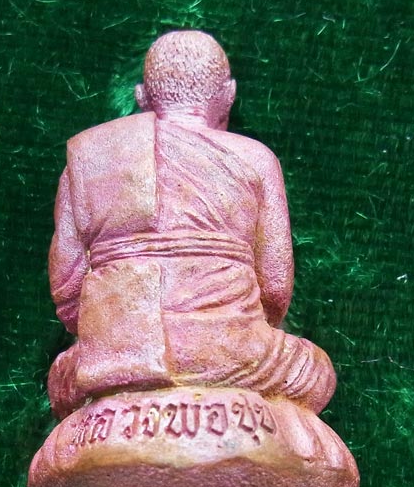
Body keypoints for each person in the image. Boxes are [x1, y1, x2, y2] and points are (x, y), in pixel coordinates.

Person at [47, 30, 336, 419]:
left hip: (114, 357)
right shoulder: (256, 159)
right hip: (233, 353)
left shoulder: (89, 159)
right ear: (229, 94)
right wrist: (228, 325)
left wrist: (111, 331)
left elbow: (68, 292)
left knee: (64, 377)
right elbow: (274, 288)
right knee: (312, 372)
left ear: (141, 97)